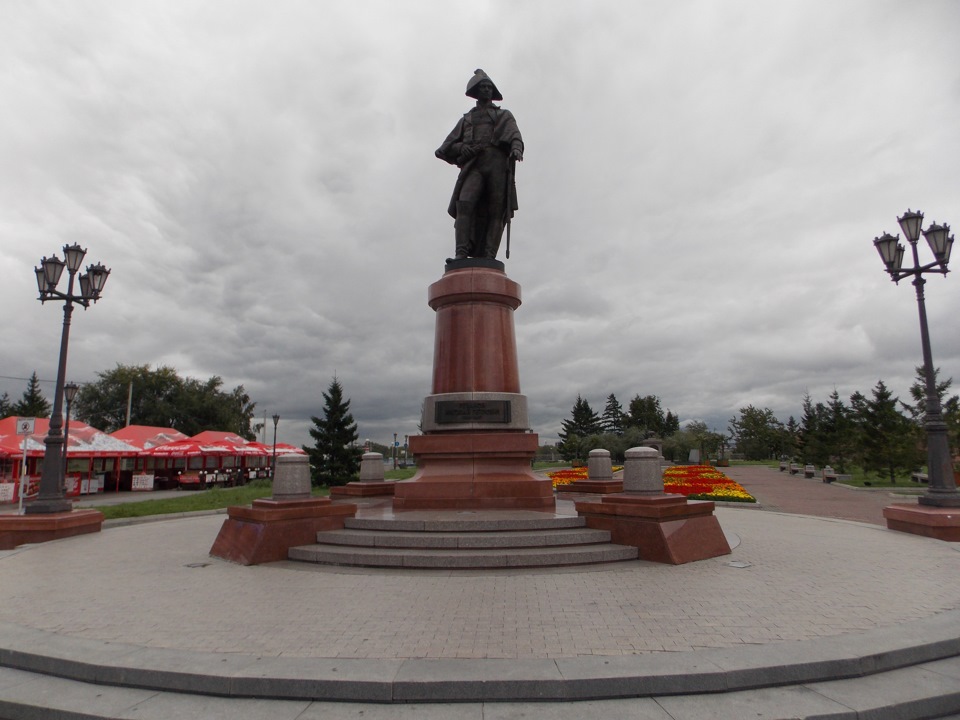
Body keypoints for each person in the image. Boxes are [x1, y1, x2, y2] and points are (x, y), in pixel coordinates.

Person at [435, 69, 523, 260]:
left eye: (489, 87)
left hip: (497, 165)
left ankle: (489, 256)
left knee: (496, 210)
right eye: (482, 87)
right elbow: (444, 148)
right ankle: (461, 253)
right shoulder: (467, 119)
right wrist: (462, 148)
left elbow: (514, 135)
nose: (486, 90)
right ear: (475, 91)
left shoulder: (504, 115)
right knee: (464, 204)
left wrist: (516, 148)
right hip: (474, 166)